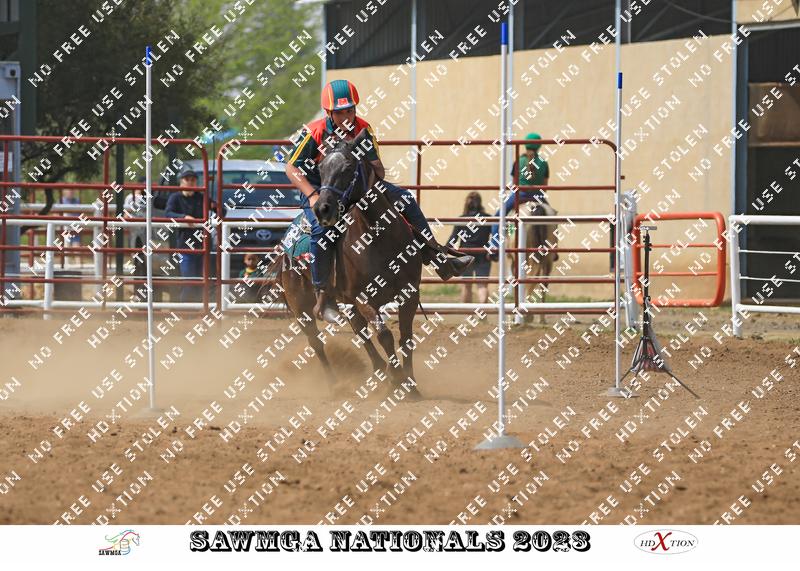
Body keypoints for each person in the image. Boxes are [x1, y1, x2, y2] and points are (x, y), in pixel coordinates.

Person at [286, 79, 474, 323]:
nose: (346, 117)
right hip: (322, 191)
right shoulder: (314, 132)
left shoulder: (363, 129)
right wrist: (312, 196)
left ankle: (438, 259)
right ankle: (324, 296)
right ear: (329, 112)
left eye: (350, 111)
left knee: (405, 199)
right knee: (323, 231)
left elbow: (379, 170)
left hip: (357, 187)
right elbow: (291, 168)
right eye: (340, 113)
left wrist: (366, 172)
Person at [488, 132, 551, 261]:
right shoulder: (544, 163)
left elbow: (514, 183)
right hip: (538, 196)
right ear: (539, 146)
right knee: (553, 217)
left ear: (525, 145)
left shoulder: (519, 161)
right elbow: (544, 186)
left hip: (520, 194)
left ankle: (495, 247)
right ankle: (553, 249)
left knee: (498, 217)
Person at [165, 168, 205, 302]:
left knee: (203, 281)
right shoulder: (175, 197)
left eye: (193, 180)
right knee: (189, 281)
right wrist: (184, 217)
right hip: (185, 245)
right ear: (181, 182)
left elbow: (220, 210)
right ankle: (185, 308)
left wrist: (216, 208)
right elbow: (168, 213)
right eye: (187, 179)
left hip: (203, 244)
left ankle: (200, 308)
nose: (190, 182)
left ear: (196, 182)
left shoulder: (201, 197)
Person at [447, 192, 491, 304]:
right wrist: (491, 249)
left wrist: (443, 250)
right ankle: (483, 312)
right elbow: (497, 235)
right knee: (482, 285)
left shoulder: (461, 219)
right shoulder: (488, 218)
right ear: (480, 203)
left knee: (466, 286)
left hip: (465, 254)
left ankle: (466, 313)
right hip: (483, 254)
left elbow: (453, 239)